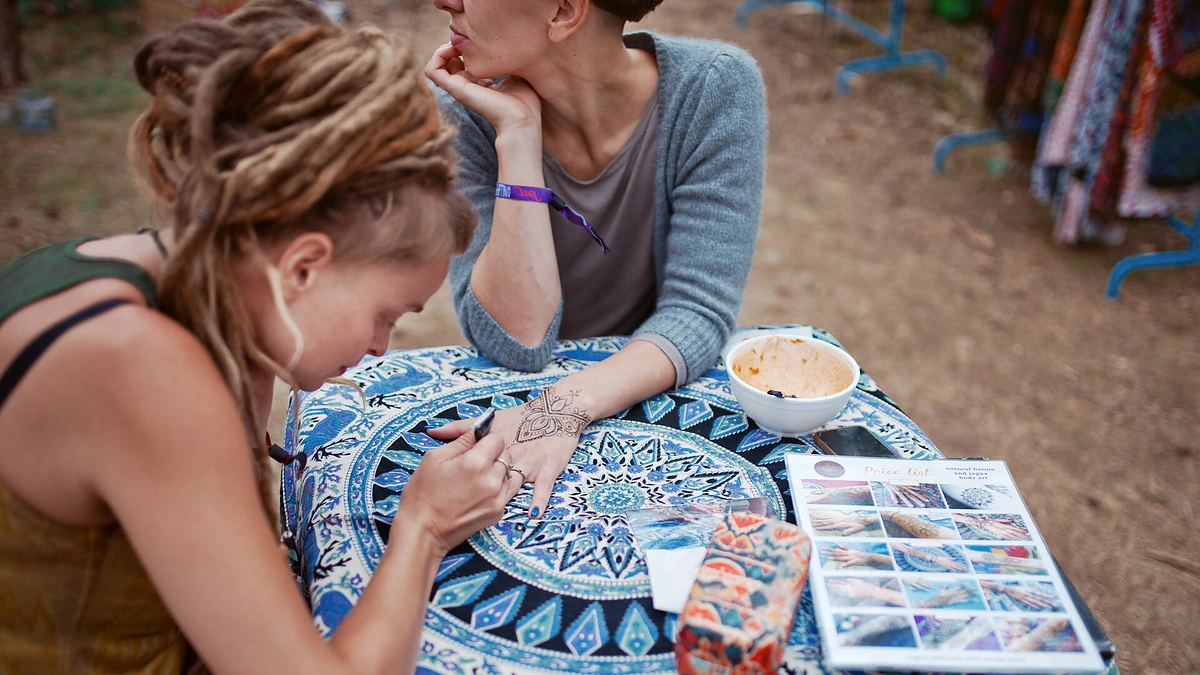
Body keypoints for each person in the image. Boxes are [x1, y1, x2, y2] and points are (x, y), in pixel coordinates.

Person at [0, 1, 524, 672]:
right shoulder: (142, 370)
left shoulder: (142, 275)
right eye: (386, 314)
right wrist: (425, 527)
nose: (380, 347)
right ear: (302, 266)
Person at [424, 0, 767, 519]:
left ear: (563, 12)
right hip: (519, 405)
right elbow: (518, 342)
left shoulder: (712, 88)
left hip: (640, 400)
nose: (443, 0)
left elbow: (698, 312)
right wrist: (517, 136)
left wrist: (563, 407)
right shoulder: (465, 111)